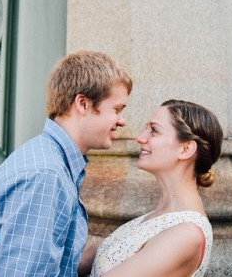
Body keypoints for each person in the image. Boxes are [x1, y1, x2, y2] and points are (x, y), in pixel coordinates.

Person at [0, 51, 133, 276]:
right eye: (117, 110)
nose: (122, 121)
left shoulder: (51, 162)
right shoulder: (45, 173)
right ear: (83, 103)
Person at [84, 99, 223, 277]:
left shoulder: (186, 235)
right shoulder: (154, 218)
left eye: (154, 130)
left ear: (186, 149)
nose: (140, 137)